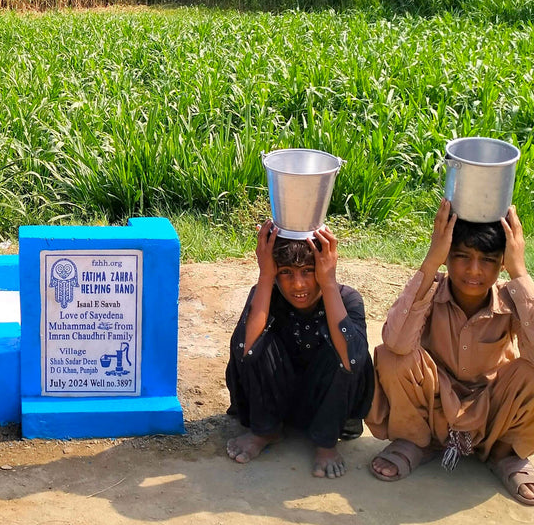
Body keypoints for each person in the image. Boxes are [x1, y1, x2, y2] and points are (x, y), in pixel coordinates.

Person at [368, 200, 534, 505]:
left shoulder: (512, 302)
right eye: (461, 256)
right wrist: (431, 261)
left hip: (491, 413)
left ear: (501, 264)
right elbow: (396, 342)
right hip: (434, 407)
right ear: (447, 258)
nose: (474, 270)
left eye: (487, 260)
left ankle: (505, 454)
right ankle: (415, 441)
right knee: (393, 356)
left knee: (529, 372)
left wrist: (519, 271)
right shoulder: (431, 292)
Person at [225, 221, 374, 478]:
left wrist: (328, 283)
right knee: (258, 340)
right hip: (276, 397)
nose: (298, 285)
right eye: (286, 272)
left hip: (325, 402)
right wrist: (265, 276)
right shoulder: (266, 294)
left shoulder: (348, 299)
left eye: (308, 271)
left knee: (343, 347)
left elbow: (352, 362)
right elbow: (244, 350)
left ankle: (325, 443)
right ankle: (266, 430)